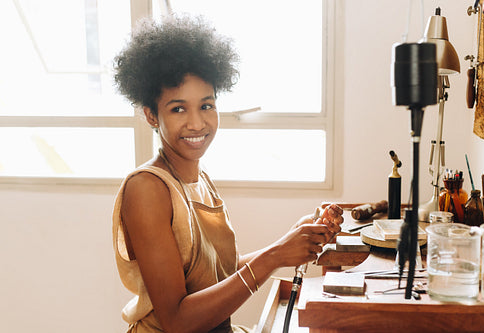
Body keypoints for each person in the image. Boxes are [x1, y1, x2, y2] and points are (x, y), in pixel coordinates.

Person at [112, 14, 344, 333]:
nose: (197, 123)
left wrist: (288, 244)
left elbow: (216, 276)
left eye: (206, 105)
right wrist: (275, 255)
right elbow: (178, 322)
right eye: (178, 109)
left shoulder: (199, 179)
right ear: (152, 115)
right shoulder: (146, 189)